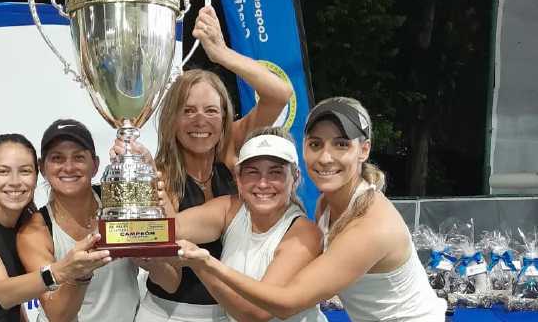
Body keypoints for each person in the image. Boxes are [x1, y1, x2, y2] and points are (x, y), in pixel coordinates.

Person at [178, 97, 447, 321]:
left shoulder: (371, 226)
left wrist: (207, 264)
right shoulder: (326, 204)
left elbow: (285, 303)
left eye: (341, 144)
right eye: (316, 144)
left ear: (363, 150)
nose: (325, 157)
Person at [124, 6, 293, 321]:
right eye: (188, 110)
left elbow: (279, 94)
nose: (200, 121)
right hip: (169, 313)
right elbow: (168, 269)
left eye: (211, 111)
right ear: (172, 120)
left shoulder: (232, 149)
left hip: (230, 312)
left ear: (225, 117)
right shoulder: (159, 174)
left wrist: (222, 54)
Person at [0, 133, 111, 322]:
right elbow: (3, 292)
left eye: (24, 171)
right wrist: (64, 270)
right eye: (3, 171)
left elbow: (16, 300)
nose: (15, 181)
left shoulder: (28, 224)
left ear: (36, 176)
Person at [16, 119, 179, 322]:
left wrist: (149, 260)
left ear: (95, 165)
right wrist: (80, 272)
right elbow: (58, 315)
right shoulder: (35, 231)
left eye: (79, 157)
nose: (68, 167)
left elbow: (172, 283)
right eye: (57, 158)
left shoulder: (122, 201)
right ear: (42, 167)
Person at [173, 126, 327, 322]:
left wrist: (202, 265)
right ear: (238, 179)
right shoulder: (230, 209)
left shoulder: (305, 234)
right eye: (252, 173)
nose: (263, 183)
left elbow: (256, 313)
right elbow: (170, 229)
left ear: (294, 178)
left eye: (275, 173)